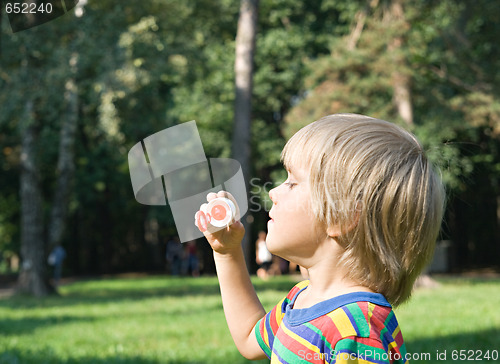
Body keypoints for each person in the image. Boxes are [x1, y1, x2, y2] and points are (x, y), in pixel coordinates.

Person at [195, 114, 445, 363]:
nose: (273, 192)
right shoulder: (301, 298)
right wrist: (227, 252)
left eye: (292, 182)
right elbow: (250, 338)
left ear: (342, 218)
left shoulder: (356, 329)